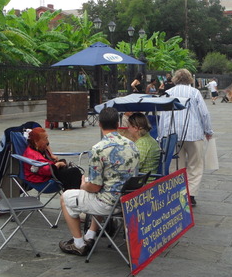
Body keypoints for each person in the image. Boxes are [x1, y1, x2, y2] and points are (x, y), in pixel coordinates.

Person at [59, 107, 139, 256]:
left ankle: (78, 244)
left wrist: (83, 185)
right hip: (126, 201)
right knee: (99, 191)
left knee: (65, 198)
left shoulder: (98, 149)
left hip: (107, 204)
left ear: (100, 124)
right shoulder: (132, 144)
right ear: (117, 124)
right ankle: (90, 234)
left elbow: (95, 187)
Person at [158, 69, 213, 207]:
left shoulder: (168, 93)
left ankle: (178, 193)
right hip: (194, 133)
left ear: (175, 79)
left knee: (177, 165)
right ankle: (191, 195)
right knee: (195, 164)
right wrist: (208, 130)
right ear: (189, 79)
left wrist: (162, 135)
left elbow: (163, 116)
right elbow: (204, 114)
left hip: (173, 133)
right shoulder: (194, 92)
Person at [127, 113, 160, 181]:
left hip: (143, 182)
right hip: (147, 178)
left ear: (136, 128)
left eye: (129, 126)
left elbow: (135, 166)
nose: (128, 129)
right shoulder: (149, 139)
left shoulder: (142, 143)